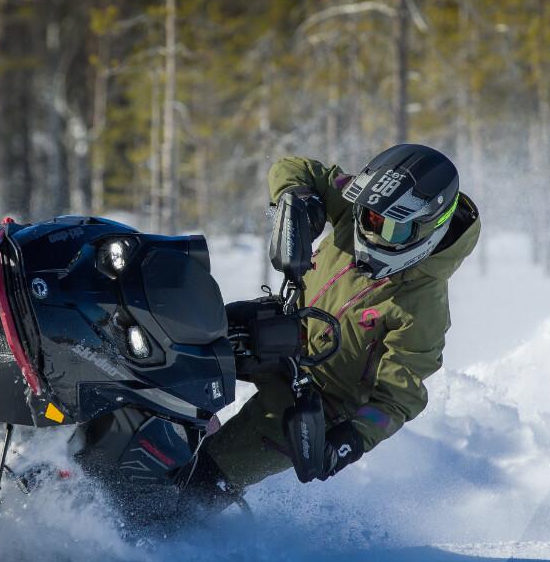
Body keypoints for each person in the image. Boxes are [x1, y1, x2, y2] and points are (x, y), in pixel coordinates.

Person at [192, 143, 481, 500]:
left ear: (428, 228)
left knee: (207, 478)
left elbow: (396, 401)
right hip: (280, 329)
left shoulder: (423, 308)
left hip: (313, 401)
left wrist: (351, 440)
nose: (374, 231)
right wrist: (297, 196)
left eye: (393, 228)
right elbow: (293, 166)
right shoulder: (359, 207)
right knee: (181, 340)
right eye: (372, 218)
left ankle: (171, 525)